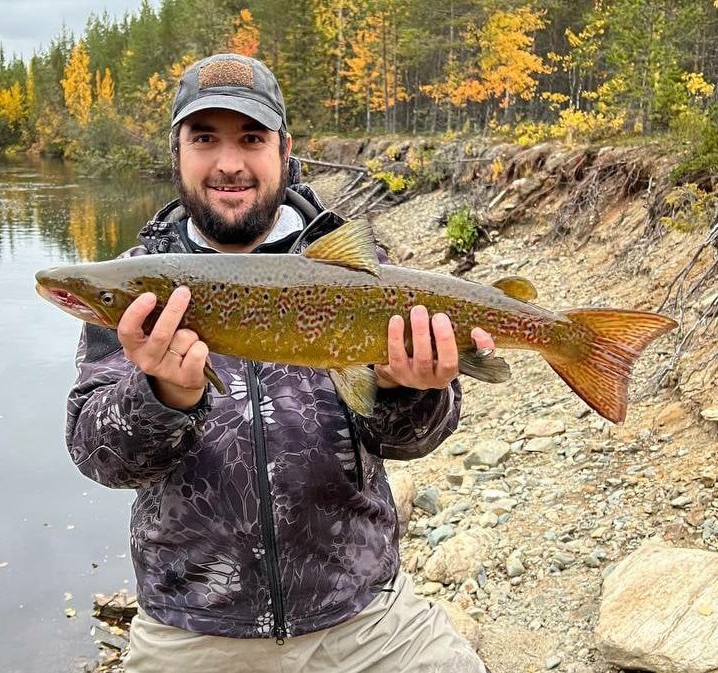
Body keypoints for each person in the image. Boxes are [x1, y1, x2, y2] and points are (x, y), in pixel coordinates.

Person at [65, 53, 494, 673]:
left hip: (363, 616)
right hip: (193, 626)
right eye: (205, 138)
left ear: (284, 149)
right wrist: (159, 395)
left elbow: (416, 439)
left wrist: (411, 393)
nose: (229, 162)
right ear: (178, 151)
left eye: (251, 139)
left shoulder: (359, 265)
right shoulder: (135, 286)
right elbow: (97, 457)